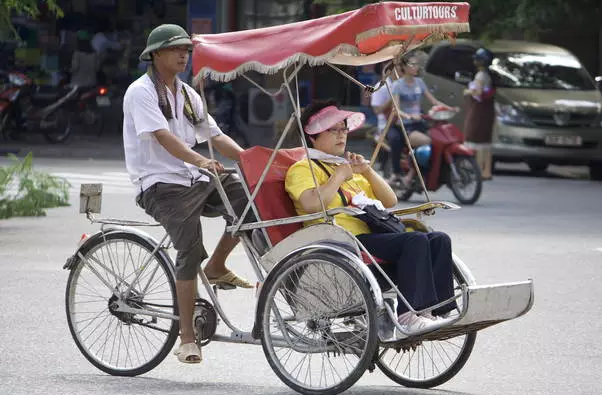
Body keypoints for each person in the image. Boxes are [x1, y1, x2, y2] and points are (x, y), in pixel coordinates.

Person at [122, 24, 253, 364]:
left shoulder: (188, 94)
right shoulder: (142, 92)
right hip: (159, 183)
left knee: (248, 202)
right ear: (156, 54)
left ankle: (218, 266)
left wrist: (252, 161)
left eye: (186, 50)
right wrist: (199, 159)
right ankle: (187, 338)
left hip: (195, 176)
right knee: (189, 248)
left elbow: (215, 135)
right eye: (175, 49)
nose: (183, 55)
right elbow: (163, 137)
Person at [285, 100, 457, 333]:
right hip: (340, 241)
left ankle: (438, 310)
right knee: (414, 241)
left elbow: (389, 201)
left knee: (438, 239)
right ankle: (409, 316)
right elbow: (313, 204)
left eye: (344, 129)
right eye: (332, 130)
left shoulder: (345, 166)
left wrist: (366, 171)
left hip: (371, 240)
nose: (341, 135)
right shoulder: (303, 169)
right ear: (313, 136)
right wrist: (337, 177)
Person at [389, 55, 456, 188]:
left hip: (420, 123)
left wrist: (449, 108)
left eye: (417, 64)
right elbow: (395, 109)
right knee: (427, 141)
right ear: (404, 67)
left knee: (438, 141)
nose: (416, 67)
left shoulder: (419, 82)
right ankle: (410, 175)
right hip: (405, 125)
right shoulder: (397, 85)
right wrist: (408, 116)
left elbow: (434, 101)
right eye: (412, 64)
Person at [463, 48, 496, 180]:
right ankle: (486, 171)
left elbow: (478, 92)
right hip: (487, 110)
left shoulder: (480, 76)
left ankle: (479, 170)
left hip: (478, 111)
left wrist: (467, 92)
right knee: (485, 141)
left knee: (475, 138)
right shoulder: (488, 75)